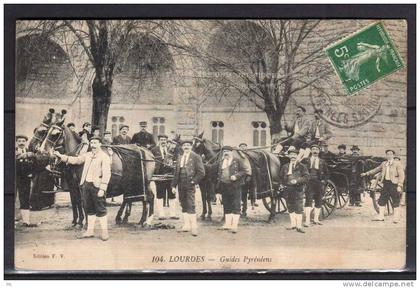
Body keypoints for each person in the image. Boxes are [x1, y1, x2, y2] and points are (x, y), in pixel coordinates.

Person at [54, 136, 111, 241]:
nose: (93, 145)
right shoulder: (88, 155)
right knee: (89, 209)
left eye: (95, 143)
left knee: (101, 210)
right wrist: (60, 156)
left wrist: (102, 189)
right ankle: (90, 231)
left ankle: (105, 232)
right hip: (86, 185)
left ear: (100, 144)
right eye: (91, 143)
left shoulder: (104, 157)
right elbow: (76, 160)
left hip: (97, 186)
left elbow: (107, 174)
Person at [171, 140, 205, 236]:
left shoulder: (196, 157)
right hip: (181, 185)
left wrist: (193, 181)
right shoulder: (180, 157)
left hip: (190, 184)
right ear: (182, 147)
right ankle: (186, 225)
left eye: (188, 145)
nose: (186, 147)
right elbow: (176, 173)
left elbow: (201, 172)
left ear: (191, 147)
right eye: (184, 145)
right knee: (183, 204)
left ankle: (194, 227)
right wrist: (173, 185)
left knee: (191, 205)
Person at [361, 149, 405, 223]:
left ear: (393, 155)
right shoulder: (384, 163)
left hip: (394, 184)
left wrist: (399, 185)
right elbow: (376, 170)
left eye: (391, 154)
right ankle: (381, 216)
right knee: (382, 200)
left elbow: (401, 175)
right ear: (386, 155)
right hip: (386, 184)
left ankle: (396, 218)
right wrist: (366, 173)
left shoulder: (397, 164)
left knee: (395, 201)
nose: (389, 156)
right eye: (388, 154)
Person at [216, 146, 251, 233]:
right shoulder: (221, 162)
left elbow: (244, 171)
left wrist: (236, 176)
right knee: (226, 205)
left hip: (235, 186)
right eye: (224, 151)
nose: (226, 153)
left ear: (232, 152)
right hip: (224, 186)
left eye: (228, 151)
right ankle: (227, 225)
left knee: (236, 205)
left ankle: (234, 226)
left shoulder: (237, 160)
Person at [279, 147, 309, 233]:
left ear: (297, 156)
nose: (293, 156)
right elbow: (280, 177)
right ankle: (293, 225)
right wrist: (281, 185)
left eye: (295, 155)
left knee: (298, 208)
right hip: (288, 189)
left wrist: (297, 180)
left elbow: (306, 177)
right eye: (291, 154)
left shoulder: (302, 166)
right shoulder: (285, 167)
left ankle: (299, 226)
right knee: (290, 207)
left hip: (298, 189)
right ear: (288, 156)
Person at [301, 144, 329, 226]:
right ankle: (307, 221)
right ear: (311, 151)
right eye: (313, 149)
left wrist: (324, 181)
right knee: (308, 201)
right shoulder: (306, 160)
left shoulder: (322, 162)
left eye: (316, 149)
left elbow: (327, 173)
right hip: (309, 183)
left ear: (319, 151)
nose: (315, 151)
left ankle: (316, 219)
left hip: (319, 183)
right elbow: (300, 170)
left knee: (319, 200)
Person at [152, 134, 178, 220]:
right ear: (158, 140)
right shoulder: (154, 150)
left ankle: (173, 214)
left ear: (167, 141)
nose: (163, 141)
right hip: (159, 176)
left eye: (165, 140)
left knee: (172, 195)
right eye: (161, 140)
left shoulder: (172, 150)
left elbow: (176, 160)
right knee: (160, 194)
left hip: (170, 175)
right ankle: (161, 214)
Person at [15, 135, 37, 227]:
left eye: (23, 141)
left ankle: (26, 221)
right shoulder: (13, 152)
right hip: (14, 179)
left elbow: (35, 164)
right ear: (16, 142)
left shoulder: (30, 153)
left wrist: (32, 173)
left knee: (25, 198)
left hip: (25, 180)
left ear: (26, 142)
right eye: (19, 141)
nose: (21, 143)